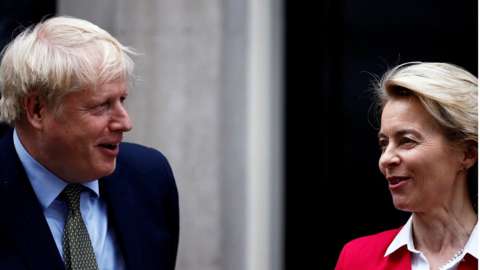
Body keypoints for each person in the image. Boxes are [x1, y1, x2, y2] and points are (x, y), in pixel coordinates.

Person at [0, 16, 179, 270]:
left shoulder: (149, 178)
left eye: (122, 100)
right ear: (37, 110)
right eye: (101, 106)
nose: (125, 122)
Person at [335, 62, 478, 270]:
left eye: (407, 140)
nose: (386, 159)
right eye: (384, 143)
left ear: (467, 153)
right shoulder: (357, 259)